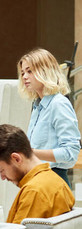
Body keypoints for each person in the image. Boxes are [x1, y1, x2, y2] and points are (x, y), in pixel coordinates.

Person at [0, 124, 74, 224]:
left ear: (16, 158)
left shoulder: (34, 191)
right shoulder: (59, 182)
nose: (2, 177)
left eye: (1, 170)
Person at [17, 48, 81, 187]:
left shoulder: (58, 104)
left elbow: (70, 152)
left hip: (54, 181)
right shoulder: (37, 106)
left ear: (45, 71)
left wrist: (30, 153)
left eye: (30, 71)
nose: (24, 77)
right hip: (36, 180)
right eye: (22, 73)